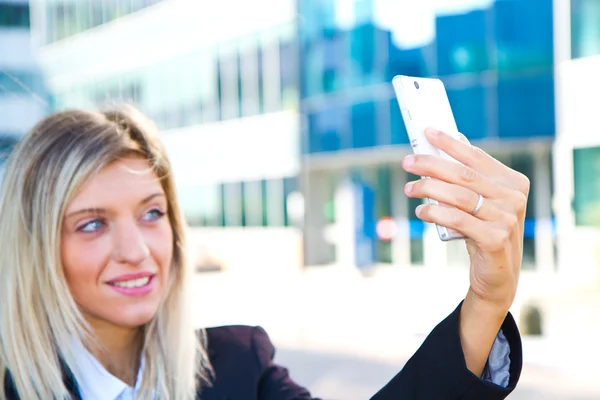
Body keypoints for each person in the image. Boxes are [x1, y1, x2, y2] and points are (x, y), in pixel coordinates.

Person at [0, 106, 527, 400]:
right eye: (92, 224)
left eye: (151, 213)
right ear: (35, 247)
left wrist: (488, 300)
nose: (136, 250)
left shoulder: (236, 368)